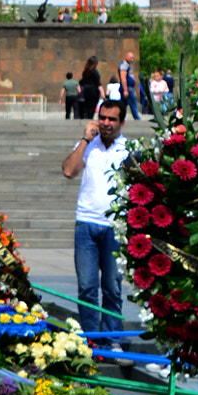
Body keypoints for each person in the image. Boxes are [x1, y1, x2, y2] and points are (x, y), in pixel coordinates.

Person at [62, 95, 130, 337]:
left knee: (112, 287)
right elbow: (69, 170)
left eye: (112, 119)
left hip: (115, 226)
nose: (105, 123)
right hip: (86, 225)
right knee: (87, 288)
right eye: (102, 117)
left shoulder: (129, 150)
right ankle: (91, 338)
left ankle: (112, 338)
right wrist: (84, 139)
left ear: (122, 123)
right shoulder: (88, 146)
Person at [77, 56, 102, 121]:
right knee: (92, 106)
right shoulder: (94, 71)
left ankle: (88, 118)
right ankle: (90, 119)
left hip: (86, 90)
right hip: (93, 91)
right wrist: (102, 92)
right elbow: (98, 83)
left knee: (88, 106)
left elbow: (82, 81)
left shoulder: (86, 71)